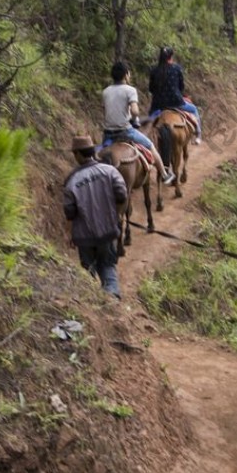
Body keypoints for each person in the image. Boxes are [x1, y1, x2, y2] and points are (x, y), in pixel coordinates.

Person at [63, 134, 129, 299]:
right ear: (92, 151)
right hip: (107, 231)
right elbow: (122, 195)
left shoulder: (71, 181)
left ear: (78, 154)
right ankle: (112, 299)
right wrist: (118, 216)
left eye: (74, 153)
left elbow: (70, 212)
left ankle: (91, 302)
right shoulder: (110, 171)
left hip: (84, 237)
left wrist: (71, 235)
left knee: (88, 270)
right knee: (108, 266)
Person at [100, 61, 176, 185]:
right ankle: (164, 174)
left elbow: (106, 110)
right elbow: (135, 111)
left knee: (100, 156)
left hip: (108, 134)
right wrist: (134, 118)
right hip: (125, 131)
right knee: (150, 145)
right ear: (125, 75)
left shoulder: (106, 91)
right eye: (129, 73)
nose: (129, 75)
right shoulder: (130, 90)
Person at [146, 45, 202, 144]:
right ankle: (198, 134)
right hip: (176, 102)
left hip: (158, 105)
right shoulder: (176, 68)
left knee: (149, 121)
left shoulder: (154, 70)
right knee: (193, 109)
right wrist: (178, 94)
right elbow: (181, 86)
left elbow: (151, 89)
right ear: (171, 57)